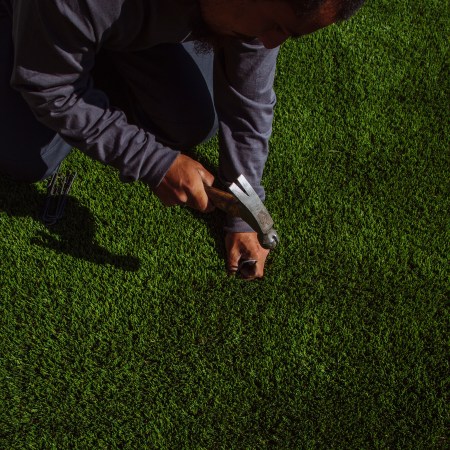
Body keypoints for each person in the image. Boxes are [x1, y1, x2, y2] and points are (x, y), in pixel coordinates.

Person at [0, 0, 364, 279]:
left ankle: (87, 46)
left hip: (98, 18)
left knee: (191, 121)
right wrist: (152, 161)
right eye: (274, 25)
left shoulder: (259, 18)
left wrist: (245, 211)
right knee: (28, 157)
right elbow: (49, 88)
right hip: (29, 15)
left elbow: (248, 99)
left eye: (287, 32)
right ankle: (72, 46)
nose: (271, 41)